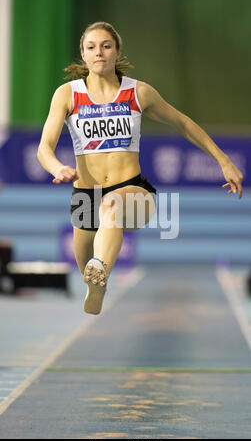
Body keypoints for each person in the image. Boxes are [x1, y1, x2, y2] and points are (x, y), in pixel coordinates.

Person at [37, 21, 243, 315]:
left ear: (117, 52)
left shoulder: (138, 93)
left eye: (106, 46)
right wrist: (57, 167)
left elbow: (183, 123)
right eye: (92, 48)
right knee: (87, 272)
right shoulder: (67, 94)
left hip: (132, 190)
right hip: (85, 197)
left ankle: (101, 266)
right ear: (83, 54)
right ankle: (97, 280)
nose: (99, 53)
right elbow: (44, 147)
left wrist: (223, 160)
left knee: (111, 206)